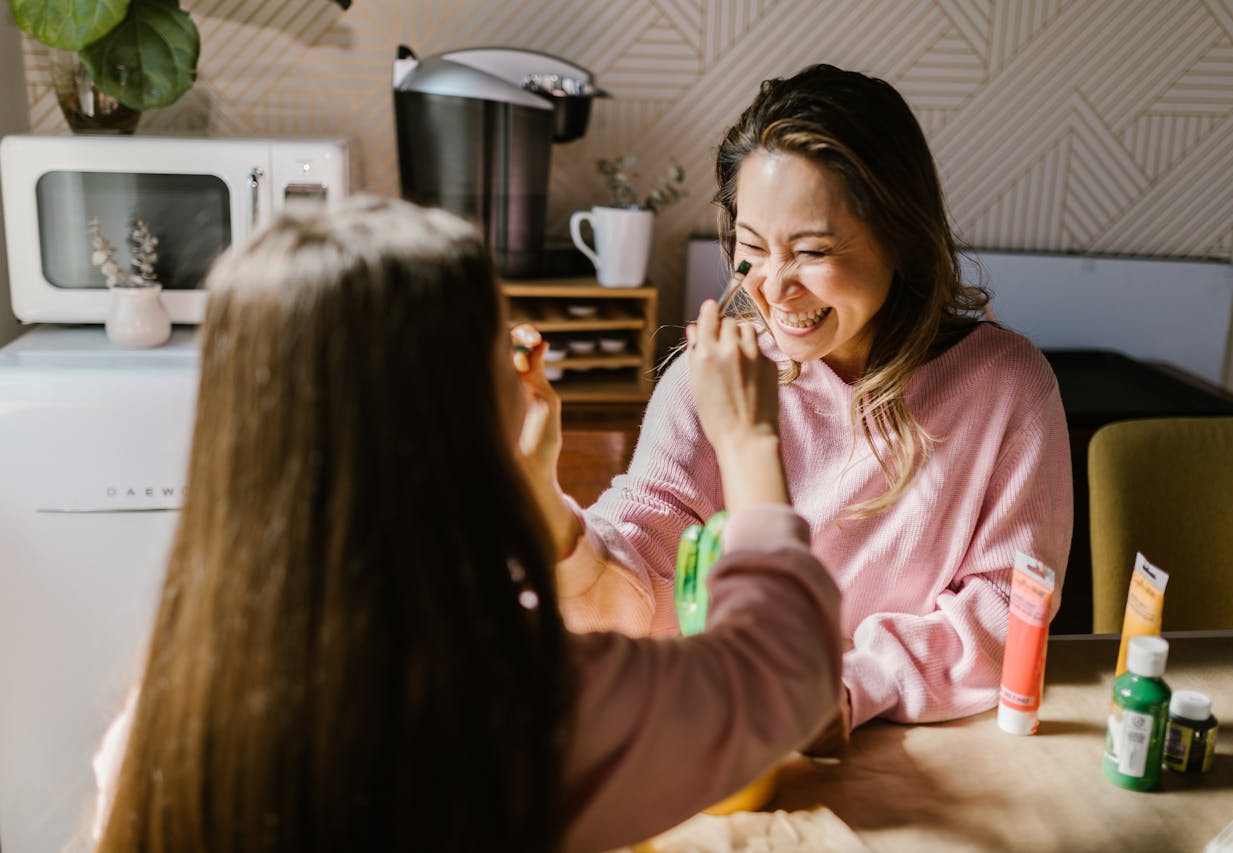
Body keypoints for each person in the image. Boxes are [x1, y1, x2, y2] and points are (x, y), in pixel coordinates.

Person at [91, 196, 842, 852]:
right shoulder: (513, 702)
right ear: (449, 424)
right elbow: (781, 673)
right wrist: (747, 438)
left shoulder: (166, 711)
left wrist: (527, 491)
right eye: (499, 351)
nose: (525, 362)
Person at [535, 64, 1073, 743]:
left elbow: (1006, 612)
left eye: (812, 251)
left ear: (901, 238)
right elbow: (639, 551)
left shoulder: (1007, 388)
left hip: (927, 743)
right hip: (731, 732)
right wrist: (545, 504)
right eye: (752, 250)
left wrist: (844, 691)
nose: (774, 289)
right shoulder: (714, 378)